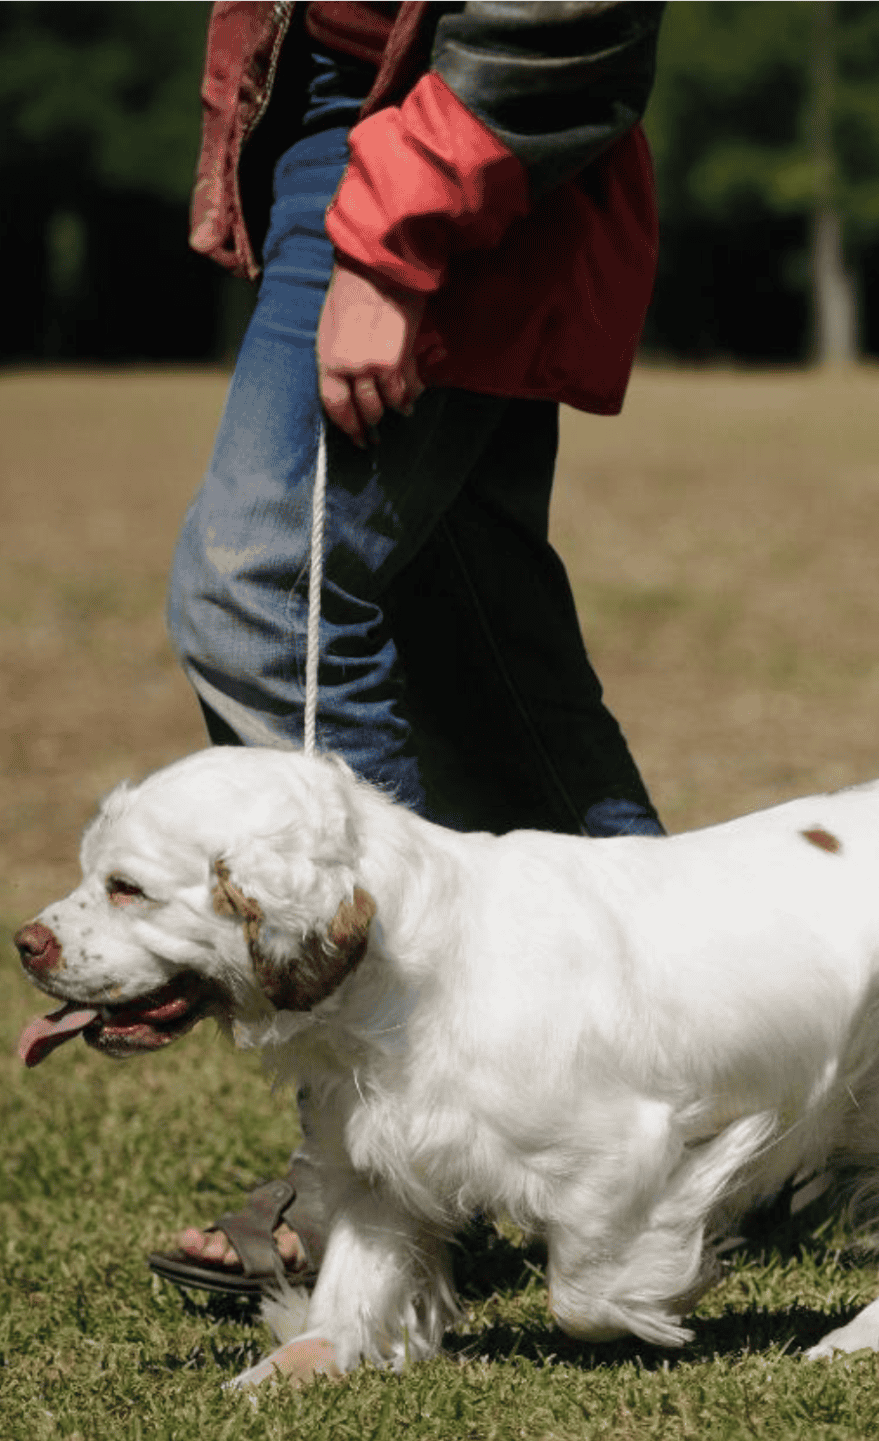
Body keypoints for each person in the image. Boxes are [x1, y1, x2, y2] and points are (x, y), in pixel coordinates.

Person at [150, 0, 669, 1305]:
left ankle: (395, 1165)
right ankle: (712, 1108)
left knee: (266, 594)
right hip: (373, 119)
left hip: (439, 136)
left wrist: (389, 239)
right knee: (476, 650)